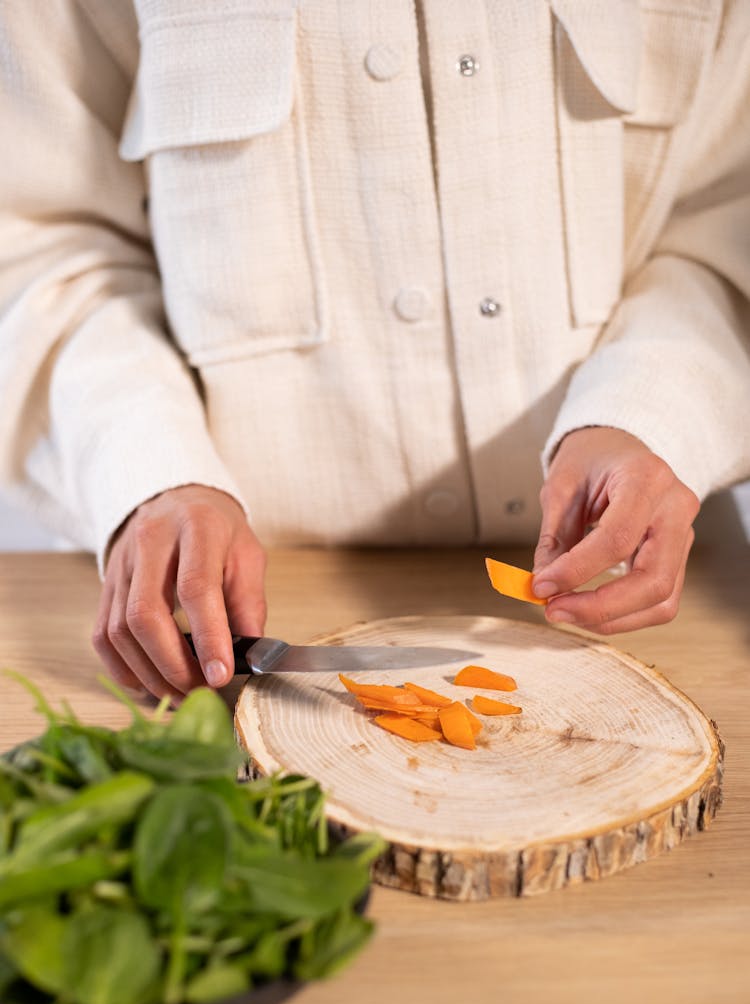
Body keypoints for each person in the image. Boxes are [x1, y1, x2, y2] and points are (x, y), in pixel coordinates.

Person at [1, 1, 749, 702]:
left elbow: (726, 218)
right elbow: (38, 240)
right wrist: (150, 474)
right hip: (228, 610)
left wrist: (652, 413)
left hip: (655, 606)